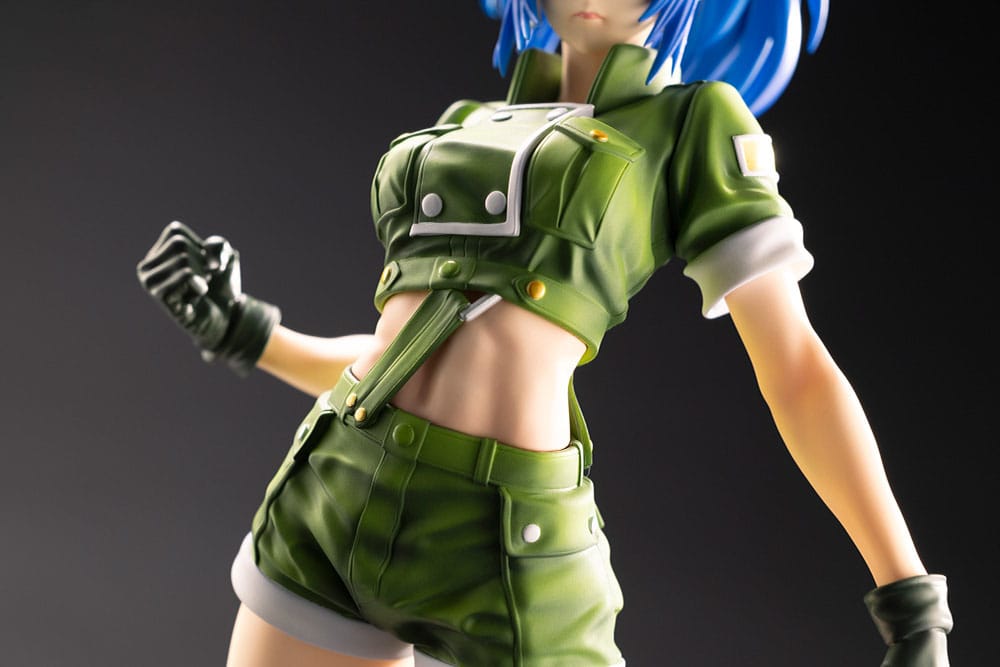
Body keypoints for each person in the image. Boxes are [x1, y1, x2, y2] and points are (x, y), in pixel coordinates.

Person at [137, 1, 953, 665]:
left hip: (507, 541)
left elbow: (797, 370)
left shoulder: (693, 123)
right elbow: (407, 353)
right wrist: (250, 332)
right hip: (332, 496)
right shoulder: (467, 123)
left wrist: (909, 594)